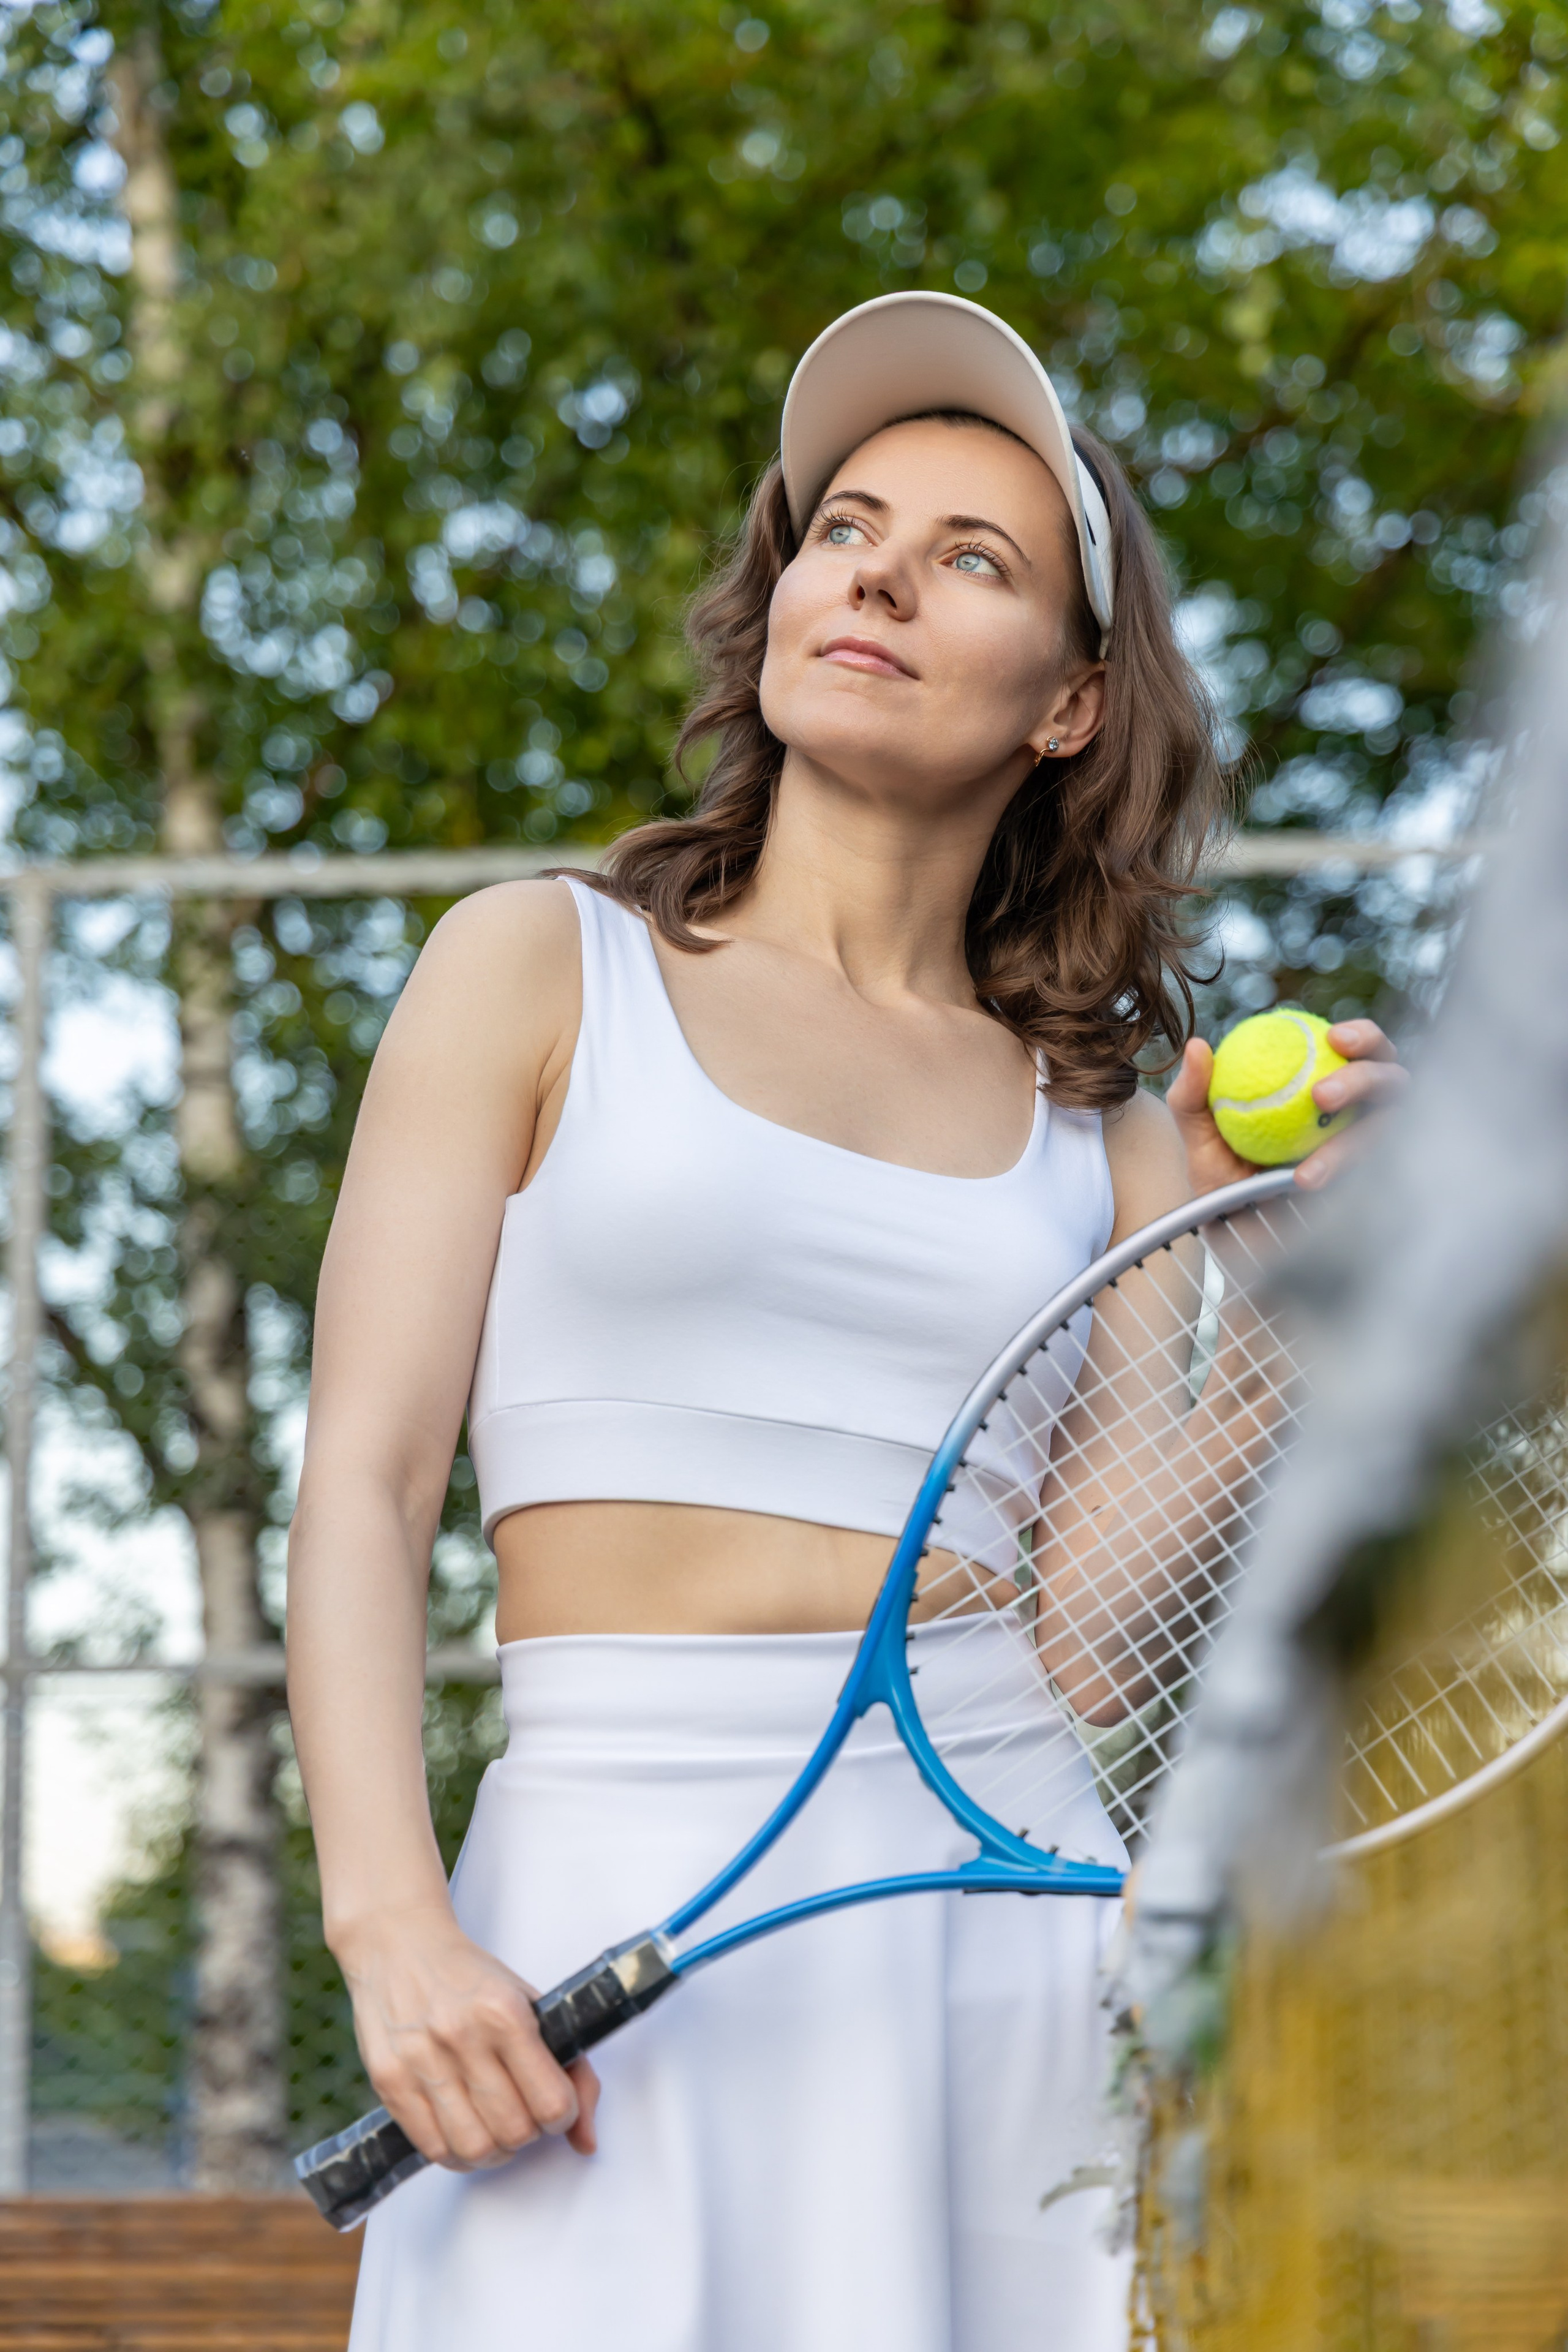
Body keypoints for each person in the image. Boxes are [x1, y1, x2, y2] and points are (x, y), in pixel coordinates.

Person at [287, 293, 1406, 2351]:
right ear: (783, 598)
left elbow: (1076, 1648)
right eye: (847, 527)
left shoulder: (1102, 1117)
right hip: (595, 1891)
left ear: (1071, 702)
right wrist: (391, 1928)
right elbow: (361, 1479)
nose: (878, 568)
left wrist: (1273, 1310)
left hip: (997, 1918)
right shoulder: (536, 966)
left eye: (973, 555)